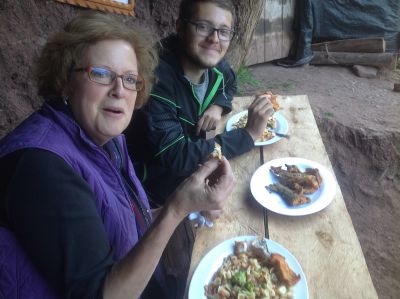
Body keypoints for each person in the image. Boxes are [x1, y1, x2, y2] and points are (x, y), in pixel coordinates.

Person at [0, 12, 235, 299]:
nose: (119, 90)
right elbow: (104, 294)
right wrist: (175, 209)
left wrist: (189, 207)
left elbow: (120, 220)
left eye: (130, 79)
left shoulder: (104, 140)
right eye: (101, 74)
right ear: (64, 80)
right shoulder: (41, 166)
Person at [125, 0, 275, 205]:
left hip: (195, 161)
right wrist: (247, 134)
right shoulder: (155, 80)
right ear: (181, 28)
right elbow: (177, 156)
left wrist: (217, 106)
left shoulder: (215, 64)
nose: (214, 39)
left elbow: (230, 83)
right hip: (153, 191)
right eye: (203, 27)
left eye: (224, 31)